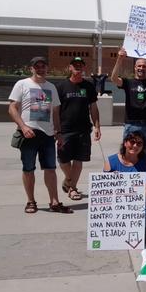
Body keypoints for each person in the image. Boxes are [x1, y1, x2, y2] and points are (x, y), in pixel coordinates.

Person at [7, 56, 72, 214]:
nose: (40, 69)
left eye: (43, 66)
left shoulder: (51, 87)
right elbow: (12, 108)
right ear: (31, 69)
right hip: (29, 133)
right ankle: (31, 201)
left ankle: (54, 201)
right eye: (37, 67)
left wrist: (58, 132)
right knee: (28, 168)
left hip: (47, 134)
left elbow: (56, 112)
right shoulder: (22, 84)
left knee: (50, 169)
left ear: (46, 69)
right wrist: (23, 127)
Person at [57, 56, 101, 202]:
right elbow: (55, 110)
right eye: (75, 65)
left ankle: (72, 188)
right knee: (63, 160)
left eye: (80, 65)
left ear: (83, 68)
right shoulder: (61, 87)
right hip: (65, 130)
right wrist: (56, 129)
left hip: (83, 130)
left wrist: (97, 126)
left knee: (78, 160)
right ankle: (69, 179)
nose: (78, 67)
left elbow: (93, 108)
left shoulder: (88, 86)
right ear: (70, 67)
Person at [104, 131, 146, 242]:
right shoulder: (111, 162)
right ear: (125, 143)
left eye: (139, 143)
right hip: (119, 210)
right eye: (132, 142)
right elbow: (105, 191)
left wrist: (127, 194)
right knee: (113, 238)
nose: (135, 146)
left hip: (144, 209)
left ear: (143, 147)